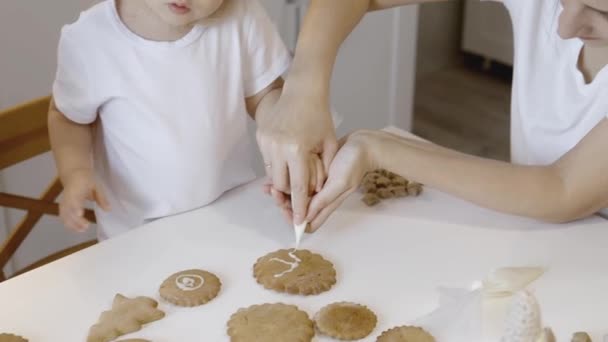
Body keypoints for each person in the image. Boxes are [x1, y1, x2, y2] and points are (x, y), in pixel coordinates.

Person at [269, 0, 608, 230]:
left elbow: (562, 189)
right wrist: (303, 89)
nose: (564, 27)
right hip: (527, 230)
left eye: (601, 12)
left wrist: (376, 148)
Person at [48, 0, 316, 239]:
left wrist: (286, 135)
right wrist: (75, 172)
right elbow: (68, 118)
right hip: (136, 236)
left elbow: (266, 93)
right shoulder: (90, 39)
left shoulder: (241, 15)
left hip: (231, 216)